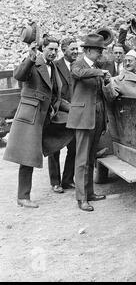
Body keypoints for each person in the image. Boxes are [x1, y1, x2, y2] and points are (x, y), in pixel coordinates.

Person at [4, 37, 73, 208]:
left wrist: (74, 109)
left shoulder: (54, 66)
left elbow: (56, 97)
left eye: (56, 49)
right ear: (42, 49)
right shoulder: (34, 61)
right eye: (50, 49)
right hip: (31, 115)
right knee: (27, 156)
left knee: (70, 127)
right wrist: (30, 57)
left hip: (46, 116)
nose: (53, 52)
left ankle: (59, 180)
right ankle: (23, 196)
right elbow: (19, 75)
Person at [66, 33, 111, 212]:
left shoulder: (96, 66)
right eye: (98, 50)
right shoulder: (78, 64)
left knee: (91, 157)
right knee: (82, 159)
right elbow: (78, 73)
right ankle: (81, 198)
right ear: (89, 50)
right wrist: (100, 72)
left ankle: (90, 193)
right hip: (84, 118)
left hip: (97, 117)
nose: (100, 53)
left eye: (101, 50)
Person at [48, 38, 78, 192]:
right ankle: (55, 182)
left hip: (76, 113)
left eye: (76, 49)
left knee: (74, 147)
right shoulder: (55, 66)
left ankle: (68, 180)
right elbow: (52, 92)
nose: (75, 52)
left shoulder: (78, 65)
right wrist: (66, 106)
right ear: (64, 50)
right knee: (55, 148)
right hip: (59, 112)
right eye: (72, 49)